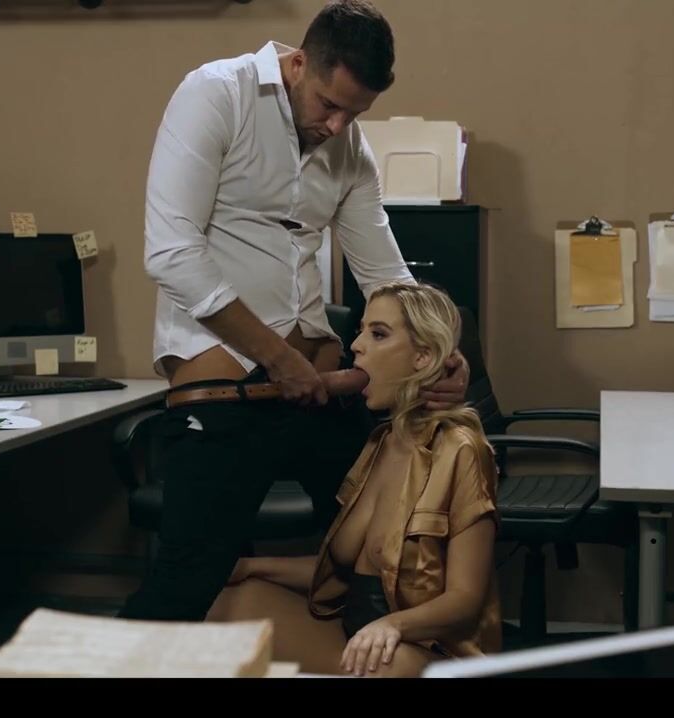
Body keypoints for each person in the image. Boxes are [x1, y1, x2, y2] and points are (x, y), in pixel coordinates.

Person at [121, 0, 469, 623]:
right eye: (329, 105)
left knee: (382, 552)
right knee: (185, 585)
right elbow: (172, 253)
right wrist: (278, 360)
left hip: (319, 394)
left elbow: (385, 273)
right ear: (299, 63)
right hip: (231, 393)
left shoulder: (348, 146)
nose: (338, 126)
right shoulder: (215, 94)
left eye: (354, 113)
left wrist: (442, 353)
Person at [206, 283, 500, 677]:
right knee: (222, 601)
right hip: (355, 636)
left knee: (380, 667)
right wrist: (251, 567)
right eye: (361, 331)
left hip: (424, 650)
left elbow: (465, 600)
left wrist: (392, 626)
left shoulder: (462, 450)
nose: (357, 345)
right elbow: (344, 574)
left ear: (423, 357)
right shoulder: (379, 442)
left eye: (378, 334)